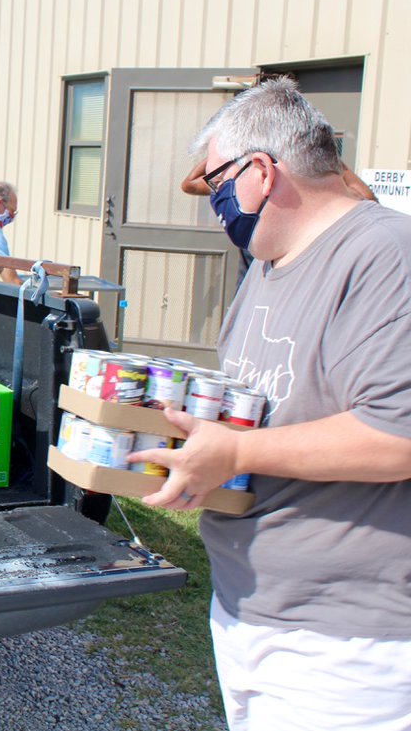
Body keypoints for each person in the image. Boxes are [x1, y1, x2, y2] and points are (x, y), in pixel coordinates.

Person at [128, 77, 411, 731]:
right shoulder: (268, 261)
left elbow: (398, 435)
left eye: (220, 185)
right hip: (250, 609)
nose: (213, 205)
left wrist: (236, 452)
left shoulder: (386, 257)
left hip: (346, 644)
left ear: (262, 172)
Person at [181, 147, 376, 289]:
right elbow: (189, 184)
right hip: (256, 276)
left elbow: (368, 201)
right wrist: (227, 150)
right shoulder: (240, 179)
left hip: (293, 276)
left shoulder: (299, 180)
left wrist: (330, 160)